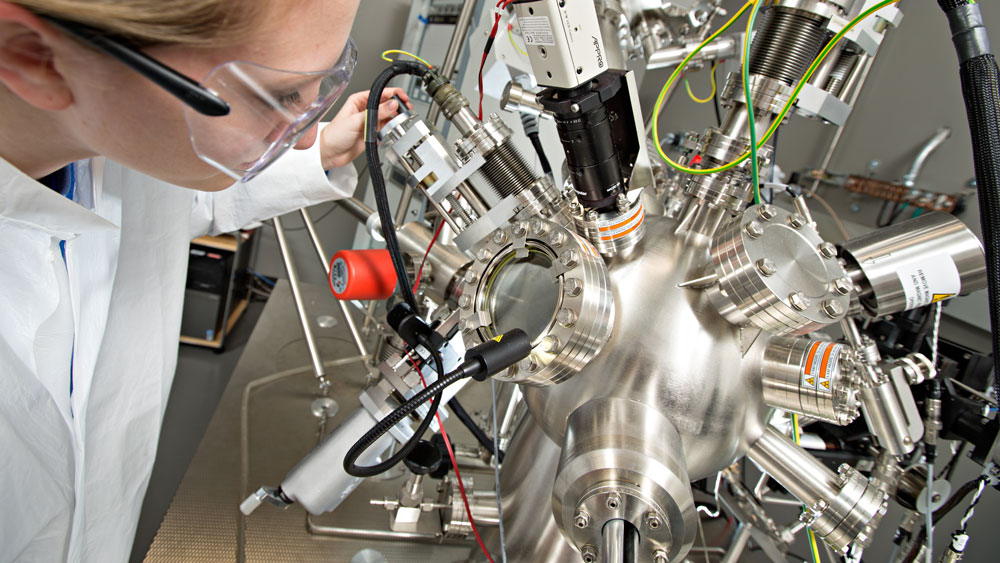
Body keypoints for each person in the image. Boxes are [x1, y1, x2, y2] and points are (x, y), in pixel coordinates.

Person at [0, 0, 409, 560]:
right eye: (280, 94)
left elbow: (183, 198)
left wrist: (323, 154)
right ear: (36, 58)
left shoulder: (117, 140)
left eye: (322, 84)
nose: (302, 123)